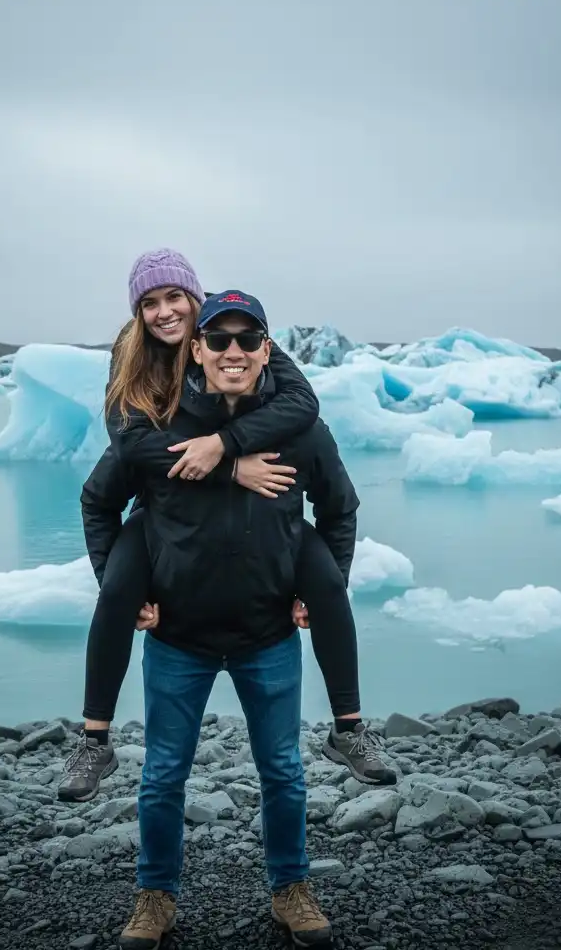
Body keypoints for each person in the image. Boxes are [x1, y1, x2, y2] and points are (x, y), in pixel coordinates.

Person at [58, 249, 394, 805]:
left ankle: (350, 729)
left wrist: (225, 443)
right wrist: (230, 466)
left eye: (174, 298)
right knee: (118, 589)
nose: (165, 312)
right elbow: (131, 445)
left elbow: (301, 406)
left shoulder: (232, 333)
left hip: (248, 512)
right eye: (150, 303)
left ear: (196, 299)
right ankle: (95, 738)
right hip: (165, 502)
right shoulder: (133, 357)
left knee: (329, 583)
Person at [82, 290, 352, 948]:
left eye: (246, 340)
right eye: (219, 340)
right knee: (164, 775)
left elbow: (339, 509)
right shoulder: (158, 424)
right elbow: (99, 500)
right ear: (195, 350)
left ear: (266, 349)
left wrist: (320, 591)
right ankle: (156, 897)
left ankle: (291, 889)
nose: (233, 351)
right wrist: (121, 587)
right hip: (179, 636)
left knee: (283, 771)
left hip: (267, 634)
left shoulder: (298, 427)